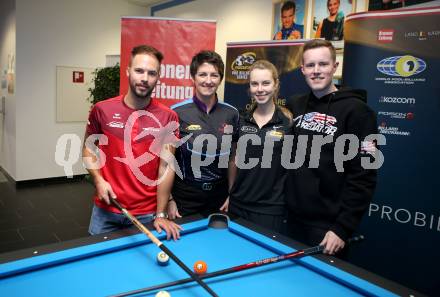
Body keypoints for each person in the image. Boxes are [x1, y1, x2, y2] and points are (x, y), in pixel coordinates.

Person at [286, 39, 377, 255]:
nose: (316, 71)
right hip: (290, 219)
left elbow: (364, 175)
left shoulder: (359, 111)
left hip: (328, 229)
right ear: (302, 69)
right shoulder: (295, 105)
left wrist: (342, 228)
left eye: (323, 64)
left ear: (335, 67)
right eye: (310, 65)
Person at [83, 45, 181, 240]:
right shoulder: (102, 109)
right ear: (128, 71)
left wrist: (161, 213)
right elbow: (88, 149)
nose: (144, 78)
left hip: (146, 213)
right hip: (106, 210)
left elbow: (166, 168)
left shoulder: (169, 117)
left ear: (158, 77)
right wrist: (98, 180)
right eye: (139, 70)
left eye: (151, 73)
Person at [222, 60, 293, 234]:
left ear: (275, 85)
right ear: (250, 87)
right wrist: (231, 193)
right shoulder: (241, 118)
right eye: (255, 84)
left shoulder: (288, 122)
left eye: (266, 83)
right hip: (238, 205)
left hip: (270, 210)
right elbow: (233, 159)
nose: (260, 89)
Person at [168, 50, 239, 219]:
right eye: (202, 75)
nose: (208, 81)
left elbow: (232, 158)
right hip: (184, 197)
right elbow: (166, 162)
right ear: (193, 77)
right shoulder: (176, 113)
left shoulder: (232, 113)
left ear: (220, 78)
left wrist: (232, 194)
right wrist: (169, 199)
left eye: (214, 75)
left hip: (219, 197)